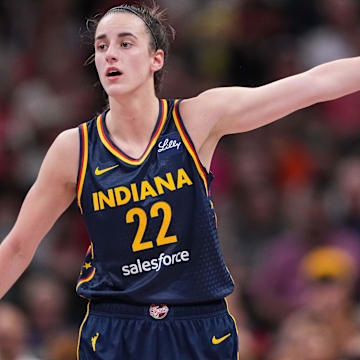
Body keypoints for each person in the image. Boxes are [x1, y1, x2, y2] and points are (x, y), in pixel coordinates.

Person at [1, 2, 360, 359]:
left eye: (125, 43)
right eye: (101, 46)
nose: (110, 54)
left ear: (156, 58)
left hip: (198, 324)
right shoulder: (75, 149)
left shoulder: (196, 120)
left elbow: (315, 83)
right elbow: (17, 247)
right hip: (116, 326)